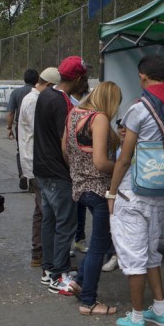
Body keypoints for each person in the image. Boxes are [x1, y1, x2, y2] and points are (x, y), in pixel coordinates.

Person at [106, 54, 164, 326]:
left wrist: (111, 191)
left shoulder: (139, 108)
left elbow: (125, 158)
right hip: (160, 190)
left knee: (133, 259)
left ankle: (137, 317)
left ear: (142, 76)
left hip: (134, 190)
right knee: (151, 254)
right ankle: (160, 309)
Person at [62, 81, 121, 315]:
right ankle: (89, 301)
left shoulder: (74, 113)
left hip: (80, 187)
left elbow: (65, 149)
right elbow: (100, 162)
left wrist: (78, 170)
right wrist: (119, 167)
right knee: (99, 246)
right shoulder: (99, 118)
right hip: (99, 189)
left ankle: (79, 281)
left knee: (100, 241)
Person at [34, 56, 88, 295]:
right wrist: (75, 169)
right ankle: (59, 275)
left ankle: (49, 270)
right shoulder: (64, 102)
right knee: (65, 223)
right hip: (57, 172)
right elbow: (66, 143)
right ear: (77, 78)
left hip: (42, 170)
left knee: (50, 221)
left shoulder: (45, 93)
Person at [17, 67, 61, 267]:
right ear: (49, 85)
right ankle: (42, 252)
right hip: (37, 160)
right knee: (45, 208)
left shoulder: (31, 97)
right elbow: (43, 130)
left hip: (35, 159)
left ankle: (40, 251)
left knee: (41, 207)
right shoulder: (35, 100)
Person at [7, 68, 39, 190]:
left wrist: (9, 127)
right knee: (35, 150)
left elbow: (10, 112)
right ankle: (33, 179)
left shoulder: (16, 92)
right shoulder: (38, 93)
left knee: (21, 150)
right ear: (37, 79)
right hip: (37, 126)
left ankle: (23, 175)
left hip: (21, 127)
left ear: (24, 79)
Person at [102, 119, 126, 273]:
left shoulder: (135, 146)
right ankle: (115, 256)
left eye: (126, 128)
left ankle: (120, 256)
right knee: (114, 226)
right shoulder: (115, 147)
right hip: (116, 190)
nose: (123, 130)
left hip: (128, 191)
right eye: (120, 127)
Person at [71, 80, 91, 255]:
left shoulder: (89, 99)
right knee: (73, 204)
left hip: (88, 159)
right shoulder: (67, 100)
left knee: (82, 204)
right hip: (74, 160)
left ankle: (79, 238)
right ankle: (71, 239)